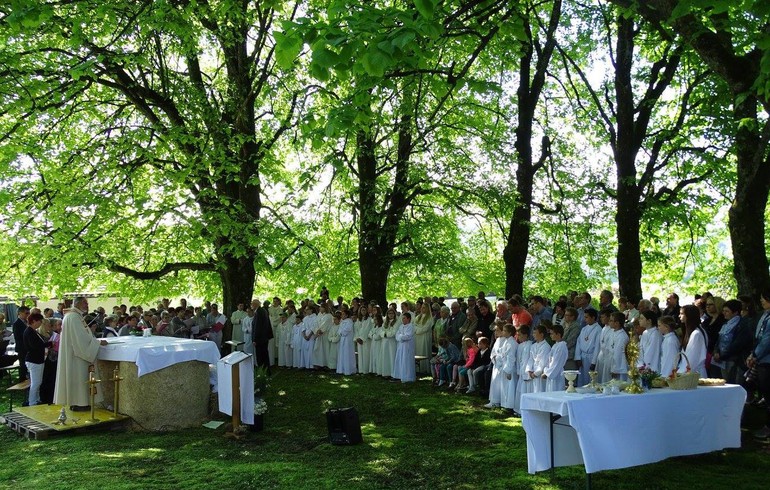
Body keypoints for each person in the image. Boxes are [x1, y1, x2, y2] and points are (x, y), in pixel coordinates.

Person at [54, 297, 108, 411]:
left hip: (73, 354)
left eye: (87, 303)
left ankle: (76, 402)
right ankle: (81, 403)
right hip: (78, 355)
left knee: (75, 379)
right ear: (77, 303)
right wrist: (97, 343)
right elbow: (81, 340)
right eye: (84, 303)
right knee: (80, 378)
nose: (87, 305)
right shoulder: (74, 317)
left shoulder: (73, 316)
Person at [746, 289, 770, 440]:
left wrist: (755, 355)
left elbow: (767, 340)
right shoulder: (766, 316)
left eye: (764, 299)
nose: (761, 301)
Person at [24, 313, 50, 406]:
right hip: (33, 360)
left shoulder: (34, 331)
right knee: (36, 382)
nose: (40, 323)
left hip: (38, 359)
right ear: (34, 321)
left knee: (38, 381)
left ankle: (37, 399)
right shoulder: (29, 331)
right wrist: (48, 344)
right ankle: (32, 402)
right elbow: (35, 346)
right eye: (39, 321)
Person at [679, 304, 708, 378]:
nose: (679, 316)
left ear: (689, 316)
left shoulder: (696, 334)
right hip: (690, 373)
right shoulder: (693, 332)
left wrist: (680, 374)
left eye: (682, 314)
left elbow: (691, 359)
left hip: (694, 375)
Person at [574, 308, 601, 386]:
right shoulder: (584, 329)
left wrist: (594, 362)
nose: (584, 319)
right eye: (584, 317)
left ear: (593, 317)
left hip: (591, 356)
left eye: (586, 317)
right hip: (583, 357)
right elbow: (578, 343)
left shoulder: (598, 330)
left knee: (590, 379)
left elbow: (597, 347)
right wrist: (578, 357)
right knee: (582, 379)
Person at [514, 325, 534, 415]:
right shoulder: (519, 346)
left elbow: (528, 359)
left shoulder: (530, 345)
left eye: (520, 335)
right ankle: (518, 409)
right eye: (518, 335)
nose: (519, 337)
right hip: (521, 371)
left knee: (525, 390)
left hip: (526, 371)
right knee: (519, 390)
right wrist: (519, 370)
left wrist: (526, 371)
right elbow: (518, 359)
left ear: (526, 335)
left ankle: (525, 410)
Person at [392, 311, 416, 383]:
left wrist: (401, 337)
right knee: (400, 360)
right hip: (400, 346)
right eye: (402, 318)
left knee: (406, 361)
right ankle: (399, 375)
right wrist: (401, 337)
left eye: (404, 318)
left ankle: (407, 377)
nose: (403, 320)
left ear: (408, 319)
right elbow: (397, 335)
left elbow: (408, 336)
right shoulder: (401, 326)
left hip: (407, 347)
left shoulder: (411, 326)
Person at [543, 324, 567, 392]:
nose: (550, 335)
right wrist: (546, 369)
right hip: (551, 373)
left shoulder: (562, 346)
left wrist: (547, 373)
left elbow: (557, 363)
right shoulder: (555, 345)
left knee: (556, 391)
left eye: (552, 333)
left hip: (557, 374)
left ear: (558, 334)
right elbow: (549, 360)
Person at [529, 324, 551, 393]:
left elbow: (543, 362)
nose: (533, 335)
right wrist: (530, 370)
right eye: (533, 333)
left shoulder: (546, 347)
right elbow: (530, 359)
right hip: (533, 373)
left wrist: (536, 373)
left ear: (541, 334)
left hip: (540, 374)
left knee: (541, 391)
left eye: (535, 333)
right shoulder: (533, 346)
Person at [414, 303, 434, 374]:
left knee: (424, 351)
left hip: (424, 337)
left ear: (428, 309)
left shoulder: (430, 318)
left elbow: (425, 328)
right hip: (417, 337)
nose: (422, 309)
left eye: (424, 307)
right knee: (418, 351)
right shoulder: (418, 317)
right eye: (422, 307)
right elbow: (414, 325)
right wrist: (417, 329)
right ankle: (417, 368)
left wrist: (417, 330)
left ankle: (424, 368)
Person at [609, 312, 629, 380]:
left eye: (611, 320)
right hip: (613, 364)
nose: (609, 322)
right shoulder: (614, 332)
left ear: (617, 323)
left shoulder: (622, 336)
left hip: (620, 367)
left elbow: (618, 354)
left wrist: (615, 369)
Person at [13, 306, 30, 381]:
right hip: (22, 348)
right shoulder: (17, 323)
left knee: (26, 364)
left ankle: (27, 379)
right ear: (20, 313)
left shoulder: (27, 322)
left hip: (27, 347)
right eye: (26, 313)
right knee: (23, 365)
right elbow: (17, 337)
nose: (28, 315)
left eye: (28, 313)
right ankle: (22, 380)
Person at [337, 309, 356, 375]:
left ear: (347, 315)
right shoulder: (342, 321)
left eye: (343, 314)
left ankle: (348, 369)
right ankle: (342, 369)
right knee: (342, 353)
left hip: (348, 340)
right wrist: (340, 333)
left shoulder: (349, 321)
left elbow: (347, 329)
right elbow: (339, 330)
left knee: (347, 353)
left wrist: (342, 333)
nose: (341, 315)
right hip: (342, 339)